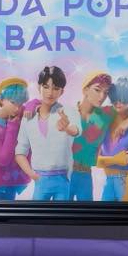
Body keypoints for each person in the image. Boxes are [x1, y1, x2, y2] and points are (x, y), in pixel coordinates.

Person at [15, 66, 79, 201]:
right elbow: (20, 152)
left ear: (62, 91)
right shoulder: (28, 117)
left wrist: (67, 128)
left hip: (62, 178)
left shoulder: (68, 112)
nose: (50, 93)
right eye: (46, 87)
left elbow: (76, 131)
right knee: (37, 214)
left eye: (55, 88)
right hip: (40, 179)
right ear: (39, 87)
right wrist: (32, 175)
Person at [68, 71, 115, 201]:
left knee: (87, 210)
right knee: (62, 211)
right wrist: (32, 106)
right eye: (97, 90)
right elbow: (42, 106)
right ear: (85, 90)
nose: (102, 96)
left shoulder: (106, 115)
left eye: (106, 92)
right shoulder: (68, 113)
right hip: (65, 173)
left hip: (86, 174)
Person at [97, 77, 128, 201]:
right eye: (115, 99)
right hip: (108, 180)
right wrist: (115, 159)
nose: (118, 103)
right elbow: (95, 161)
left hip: (125, 180)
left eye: (123, 99)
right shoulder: (105, 122)